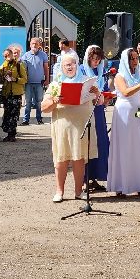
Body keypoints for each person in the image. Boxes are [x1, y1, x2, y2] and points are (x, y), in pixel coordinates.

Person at [43, 51, 94, 202]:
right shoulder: (55, 84)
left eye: (72, 64)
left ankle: (79, 191)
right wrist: (54, 101)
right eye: (67, 64)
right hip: (62, 126)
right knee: (61, 159)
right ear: (61, 67)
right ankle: (59, 191)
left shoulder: (86, 81)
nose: (70, 67)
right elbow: (44, 108)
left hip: (80, 126)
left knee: (79, 158)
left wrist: (97, 93)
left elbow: (101, 100)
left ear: (77, 65)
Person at [107, 46, 140, 196]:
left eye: (136, 58)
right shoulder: (120, 76)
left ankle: (139, 184)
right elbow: (126, 92)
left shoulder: (138, 76)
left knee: (138, 147)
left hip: (137, 114)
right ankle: (121, 185)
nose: (135, 61)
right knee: (124, 148)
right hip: (124, 113)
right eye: (131, 58)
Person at [81, 45, 112, 188]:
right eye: (93, 59)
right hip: (87, 110)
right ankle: (85, 178)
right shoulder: (82, 70)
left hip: (99, 111)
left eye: (98, 59)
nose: (96, 62)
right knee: (88, 143)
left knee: (100, 143)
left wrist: (107, 98)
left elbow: (105, 89)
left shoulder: (101, 72)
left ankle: (95, 177)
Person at [0, 46, 27, 142]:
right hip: (6, 93)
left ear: (12, 54)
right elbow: (0, 78)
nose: (7, 57)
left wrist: (15, 79)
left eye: (9, 54)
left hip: (16, 93)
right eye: (5, 55)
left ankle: (12, 134)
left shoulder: (19, 65)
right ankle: (8, 133)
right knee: (7, 114)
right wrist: (3, 76)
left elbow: (24, 79)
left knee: (14, 114)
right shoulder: (3, 66)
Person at [22, 38, 50, 125]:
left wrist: (47, 79)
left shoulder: (43, 55)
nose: (34, 45)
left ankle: (39, 119)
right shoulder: (25, 55)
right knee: (28, 102)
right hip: (28, 82)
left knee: (39, 102)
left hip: (39, 82)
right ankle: (25, 120)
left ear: (39, 45)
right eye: (33, 43)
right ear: (30, 45)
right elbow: (23, 69)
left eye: (36, 43)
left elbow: (46, 68)